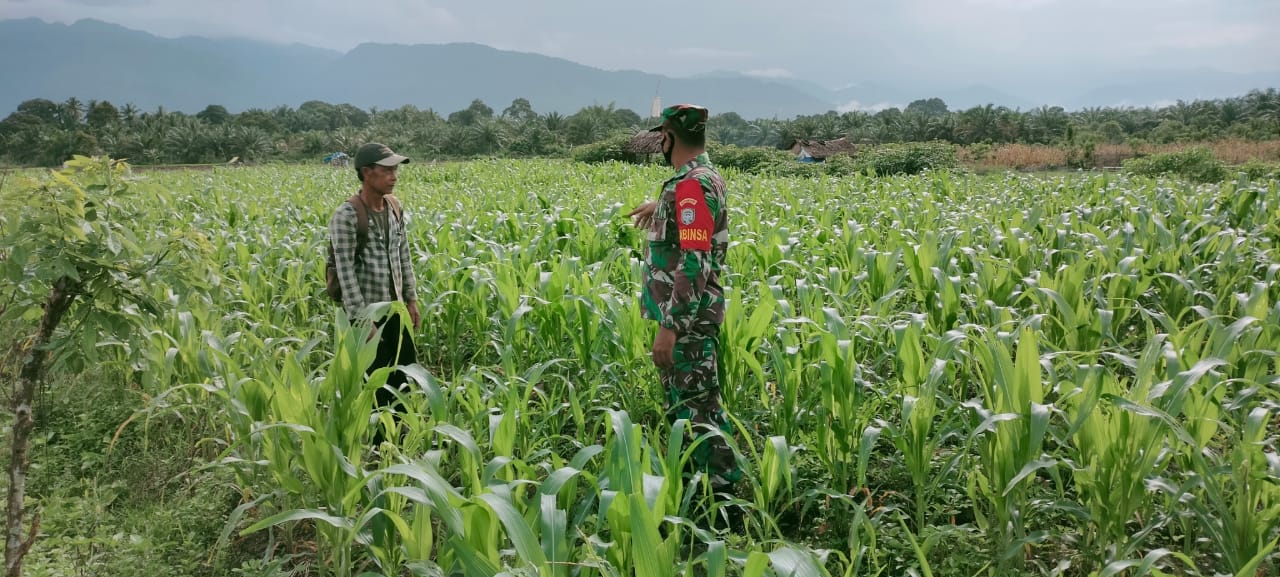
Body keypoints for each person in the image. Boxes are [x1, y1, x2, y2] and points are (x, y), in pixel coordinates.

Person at [628, 104, 742, 495]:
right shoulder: (696, 180)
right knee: (686, 411)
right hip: (688, 321)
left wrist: (670, 327)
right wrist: (660, 207)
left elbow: (695, 260)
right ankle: (699, 491)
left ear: (669, 137)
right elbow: (693, 228)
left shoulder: (692, 186)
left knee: (700, 414)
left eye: (662, 136)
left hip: (687, 325)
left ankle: (723, 503)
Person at [328, 142, 421, 443]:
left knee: (402, 373)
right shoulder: (347, 215)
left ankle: (400, 433)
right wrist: (361, 320)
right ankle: (381, 445)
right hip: (369, 315)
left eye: (395, 170)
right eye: (387, 170)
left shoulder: (394, 207)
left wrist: (411, 299)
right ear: (367, 173)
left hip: (396, 309)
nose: (394, 176)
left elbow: (403, 255)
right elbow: (345, 271)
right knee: (376, 380)